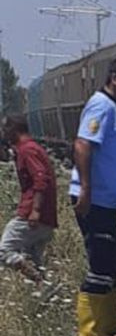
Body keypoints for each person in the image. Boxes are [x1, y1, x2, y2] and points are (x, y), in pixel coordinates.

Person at [71, 57, 116, 336]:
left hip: (108, 201)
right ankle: (89, 332)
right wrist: (85, 188)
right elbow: (83, 145)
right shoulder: (100, 105)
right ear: (114, 78)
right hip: (94, 198)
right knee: (101, 261)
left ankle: (110, 320)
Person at [0, 115, 57, 282]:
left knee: (3, 251)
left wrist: (35, 210)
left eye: (4, 129)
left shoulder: (27, 150)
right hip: (46, 217)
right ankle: (44, 289)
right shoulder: (31, 148)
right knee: (33, 258)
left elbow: (41, 179)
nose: (2, 133)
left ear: (13, 130)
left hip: (32, 214)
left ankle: (36, 279)